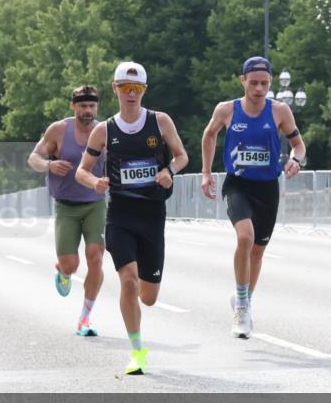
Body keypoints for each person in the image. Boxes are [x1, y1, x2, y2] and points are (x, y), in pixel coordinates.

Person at [76, 62, 189, 375]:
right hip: (120, 215)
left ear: (143, 91)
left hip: (152, 215)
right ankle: (137, 351)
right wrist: (95, 183)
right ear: (115, 89)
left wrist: (169, 171)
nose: (130, 93)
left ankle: (140, 310)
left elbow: (181, 156)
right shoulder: (104, 131)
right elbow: (81, 170)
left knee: (149, 297)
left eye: (136, 88)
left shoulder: (159, 122)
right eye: (124, 88)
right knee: (127, 279)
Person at [201, 56, 306, 339]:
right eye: (254, 83)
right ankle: (243, 307)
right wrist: (206, 172)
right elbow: (209, 135)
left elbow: (298, 144)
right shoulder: (227, 110)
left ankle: (244, 297)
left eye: (265, 84)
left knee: (258, 251)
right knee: (245, 238)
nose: (259, 89)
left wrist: (297, 160)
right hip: (238, 184)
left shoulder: (280, 111)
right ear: (243, 81)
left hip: (267, 187)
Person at [28, 85, 108, 336]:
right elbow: (34, 158)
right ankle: (63, 270)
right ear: (73, 106)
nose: (88, 111)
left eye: (92, 106)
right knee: (71, 264)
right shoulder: (59, 130)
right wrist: (50, 165)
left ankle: (85, 317)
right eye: (83, 106)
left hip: (95, 203)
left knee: (95, 256)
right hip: (65, 206)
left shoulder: (105, 130)